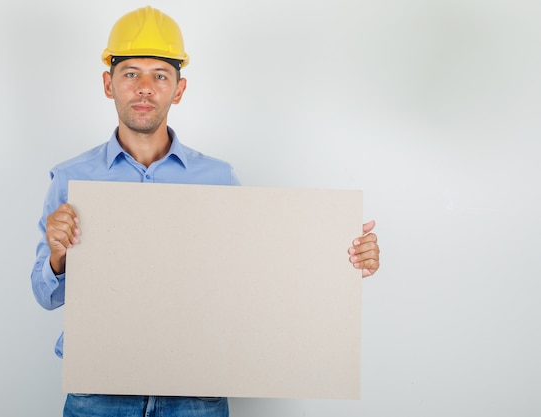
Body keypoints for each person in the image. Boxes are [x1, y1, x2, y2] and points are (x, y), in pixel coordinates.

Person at [31, 5, 380, 417]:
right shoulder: (71, 179)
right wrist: (58, 254)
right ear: (109, 84)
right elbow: (45, 296)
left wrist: (340, 259)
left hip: (196, 396)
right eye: (131, 74)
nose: (145, 88)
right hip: (99, 395)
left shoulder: (218, 177)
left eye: (160, 75)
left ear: (178, 89)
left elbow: (254, 278)